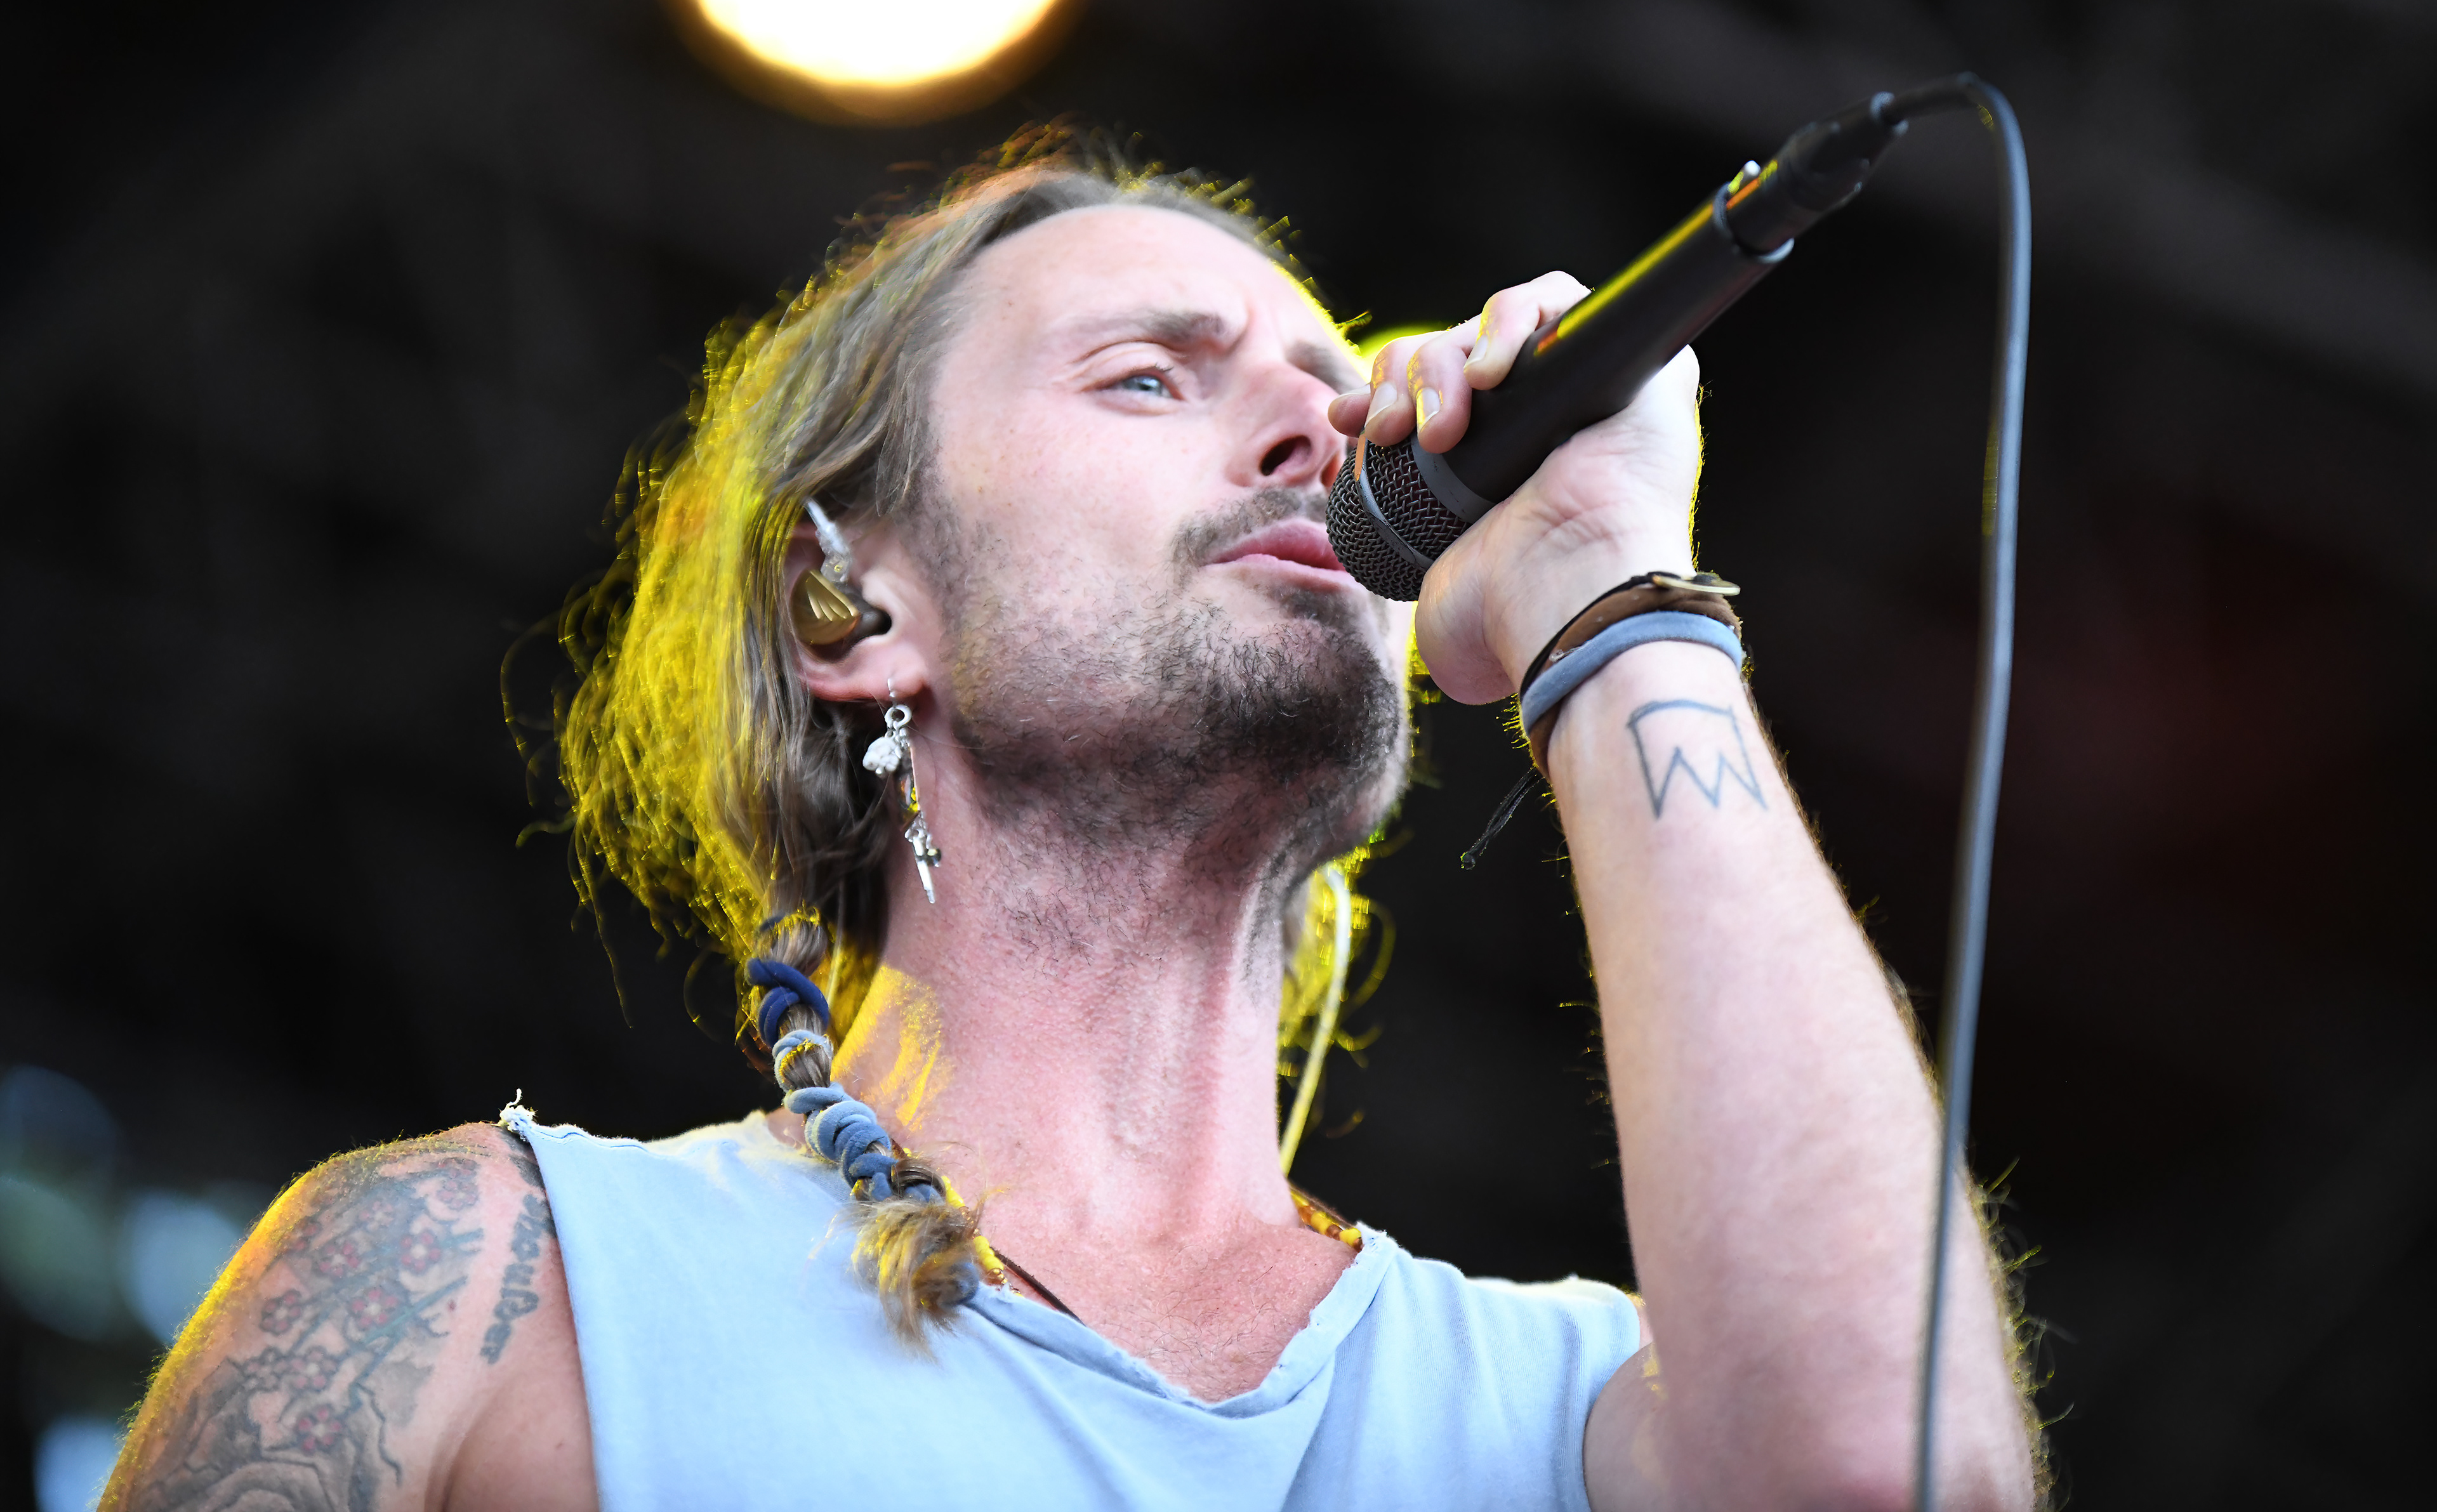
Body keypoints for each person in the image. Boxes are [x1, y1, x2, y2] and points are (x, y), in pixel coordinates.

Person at [105, 137, 2037, 1511]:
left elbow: (1891, 1473)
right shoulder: (482, 1286)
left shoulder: (1573, 1414)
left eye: (1336, 397)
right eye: (1148, 377)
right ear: (851, 611)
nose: (1320, 436)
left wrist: (1610, 580)